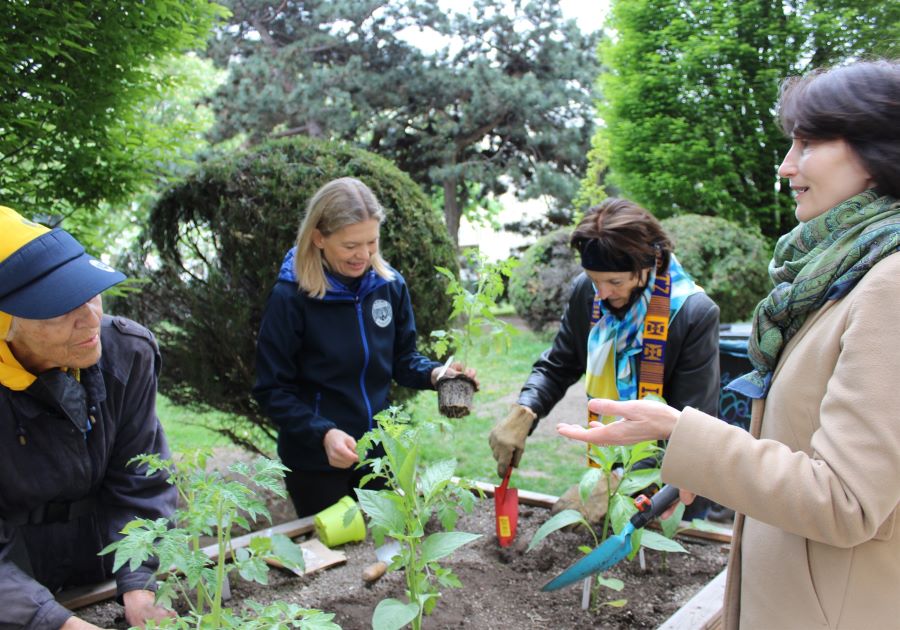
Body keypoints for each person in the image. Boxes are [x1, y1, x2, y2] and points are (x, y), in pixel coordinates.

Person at [557, 59, 900, 629]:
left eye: (808, 143)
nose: (786, 164)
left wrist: (681, 433)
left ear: (878, 151)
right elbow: (804, 439)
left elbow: (845, 499)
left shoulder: (889, 286)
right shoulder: (843, 272)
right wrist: (710, 462)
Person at [254, 177, 475, 517]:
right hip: (317, 461)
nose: (364, 255)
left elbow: (402, 359)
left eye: (372, 242)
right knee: (335, 548)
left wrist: (436, 374)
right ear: (319, 238)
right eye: (350, 245)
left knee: (386, 541)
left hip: (379, 455)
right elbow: (272, 389)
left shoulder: (389, 286)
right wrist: (323, 433)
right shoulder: (291, 297)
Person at [489, 197, 720, 522]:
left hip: (671, 496)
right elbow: (560, 363)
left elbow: (691, 427)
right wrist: (526, 408)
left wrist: (619, 487)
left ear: (649, 265)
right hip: (606, 473)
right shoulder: (588, 293)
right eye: (594, 279)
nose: (602, 293)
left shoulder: (691, 313)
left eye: (615, 282)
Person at [0, 206, 176, 629]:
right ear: (6, 325)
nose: (91, 318)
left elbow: (140, 478)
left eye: (89, 292)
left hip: (97, 559)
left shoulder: (126, 353)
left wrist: (139, 582)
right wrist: (54, 621)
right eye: (60, 309)